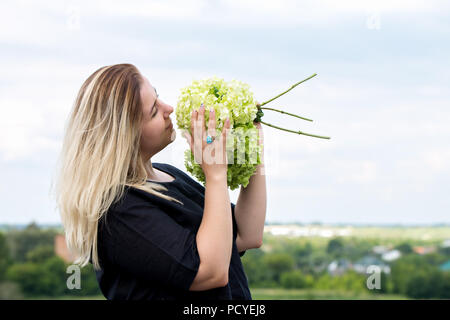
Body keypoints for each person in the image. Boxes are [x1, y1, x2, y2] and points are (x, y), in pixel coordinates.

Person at [53, 63, 266, 300]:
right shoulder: (116, 210)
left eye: (159, 97)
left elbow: (246, 236)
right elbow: (210, 272)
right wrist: (215, 176)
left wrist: (253, 151)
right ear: (126, 135)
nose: (169, 109)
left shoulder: (167, 175)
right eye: (154, 111)